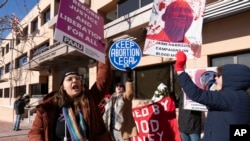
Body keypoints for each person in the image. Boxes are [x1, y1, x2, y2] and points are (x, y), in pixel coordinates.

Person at [28, 40, 113, 141]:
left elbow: (103, 80)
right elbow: (36, 132)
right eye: (69, 79)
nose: (75, 81)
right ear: (62, 86)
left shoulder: (90, 99)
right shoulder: (48, 106)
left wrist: (103, 55)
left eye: (78, 79)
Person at [174, 51, 250, 141]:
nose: (215, 78)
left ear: (230, 79)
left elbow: (196, 94)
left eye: (219, 75)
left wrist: (180, 69)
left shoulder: (229, 98)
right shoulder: (241, 96)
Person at [102, 68, 138, 141]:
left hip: (122, 129)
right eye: (117, 86)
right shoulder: (111, 99)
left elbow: (130, 92)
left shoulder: (125, 97)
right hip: (111, 129)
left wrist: (129, 79)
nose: (118, 87)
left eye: (121, 86)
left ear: (124, 89)